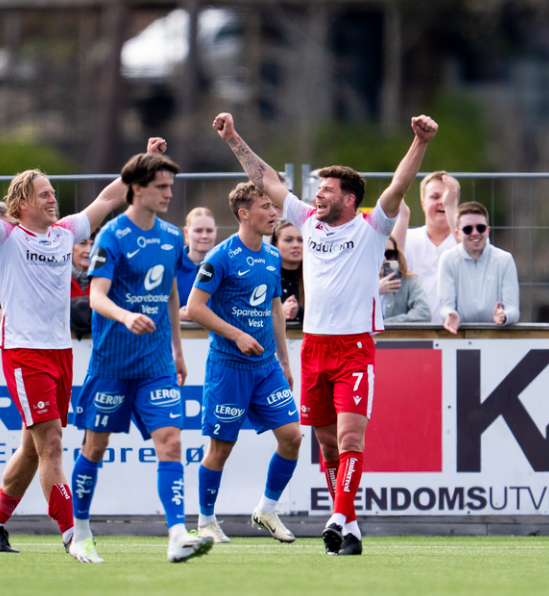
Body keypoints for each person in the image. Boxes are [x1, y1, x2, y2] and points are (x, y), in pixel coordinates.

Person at [213, 111, 438, 556]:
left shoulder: (372, 226)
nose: (316, 195)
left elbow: (398, 186)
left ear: (350, 199)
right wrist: (234, 138)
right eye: (317, 189)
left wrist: (420, 143)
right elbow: (268, 178)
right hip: (314, 347)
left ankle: (337, 515)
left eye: (327, 190)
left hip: (354, 348)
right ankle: (349, 527)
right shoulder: (309, 222)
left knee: (352, 439)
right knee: (328, 445)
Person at [0, 135, 148, 556]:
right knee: (52, 443)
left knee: (33, 446)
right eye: (43, 194)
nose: (52, 199)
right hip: (24, 352)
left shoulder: (64, 233)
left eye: (53, 193)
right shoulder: (5, 236)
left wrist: (144, 164)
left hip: (59, 352)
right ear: (22, 203)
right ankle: (71, 532)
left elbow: (108, 197)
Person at [68, 150, 213, 564]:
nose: (170, 193)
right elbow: (95, 297)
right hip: (112, 364)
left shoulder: (171, 236)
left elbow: (170, 292)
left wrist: (178, 350)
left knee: (171, 442)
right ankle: (80, 533)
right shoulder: (112, 236)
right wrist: (126, 314)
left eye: (171, 186)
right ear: (137, 189)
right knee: (93, 449)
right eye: (162, 187)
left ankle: (177, 534)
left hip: (156, 366)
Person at [186, 182, 300, 544]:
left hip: (266, 367)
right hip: (228, 368)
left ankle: (267, 509)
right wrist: (235, 334)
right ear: (244, 214)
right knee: (221, 448)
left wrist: (283, 359)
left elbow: (275, 309)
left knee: (292, 437)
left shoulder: (271, 256)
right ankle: (206, 520)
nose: (274, 212)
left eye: (273, 205)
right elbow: (194, 308)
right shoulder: (220, 257)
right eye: (266, 206)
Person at [437, 201, 520, 333]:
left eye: (480, 228)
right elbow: (446, 306)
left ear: (487, 231)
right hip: (460, 335)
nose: (475, 233)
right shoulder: (448, 259)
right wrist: (451, 316)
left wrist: (504, 316)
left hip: (497, 335)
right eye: (468, 229)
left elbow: (513, 309)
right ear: (457, 234)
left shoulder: (505, 259)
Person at [391, 171, 460, 323]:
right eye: (435, 197)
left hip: (457, 331)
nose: (442, 202)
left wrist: (451, 209)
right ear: (423, 203)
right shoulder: (409, 238)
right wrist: (403, 216)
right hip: (414, 330)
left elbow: (471, 254)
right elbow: (391, 263)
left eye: (447, 197)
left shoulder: (469, 238)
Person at [177, 207, 217, 320]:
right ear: (186, 232)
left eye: (209, 231)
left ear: (216, 231)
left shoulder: (225, 266)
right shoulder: (172, 264)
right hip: (179, 333)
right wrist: (175, 315)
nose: (204, 236)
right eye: (198, 231)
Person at [379, 237, 430, 322]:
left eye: (389, 254)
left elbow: (423, 313)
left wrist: (385, 325)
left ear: (396, 256)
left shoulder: (410, 282)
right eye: (379, 253)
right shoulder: (355, 281)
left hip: (398, 335)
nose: (384, 259)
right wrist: (375, 292)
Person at [270, 220, 305, 323]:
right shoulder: (266, 276)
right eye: (288, 240)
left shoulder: (316, 276)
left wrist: (299, 310)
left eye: (300, 240)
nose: (296, 245)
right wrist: (278, 312)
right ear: (276, 244)